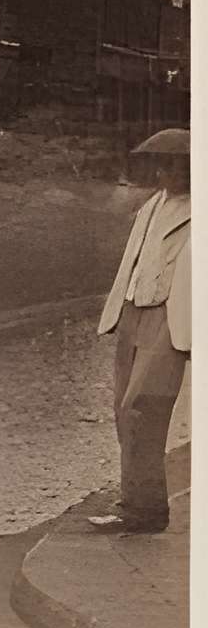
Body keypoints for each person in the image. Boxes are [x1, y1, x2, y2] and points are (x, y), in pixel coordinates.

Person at [97, 128, 191, 533]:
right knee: (123, 410)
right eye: (164, 165)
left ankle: (144, 512)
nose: (170, 172)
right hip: (133, 309)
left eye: (180, 165)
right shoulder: (153, 206)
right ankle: (135, 502)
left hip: (171, 316)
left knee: (144, 409)